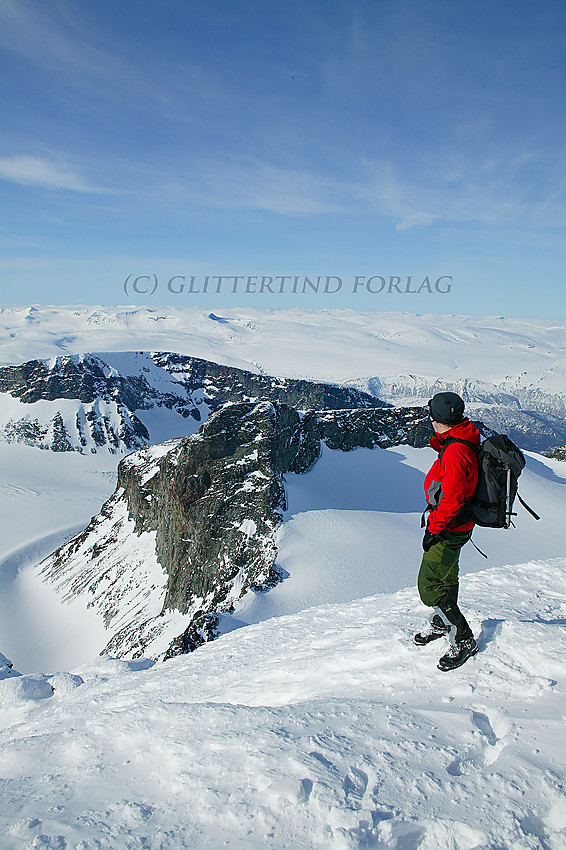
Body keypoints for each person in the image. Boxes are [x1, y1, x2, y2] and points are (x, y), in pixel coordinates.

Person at [414, 391, 480, 671]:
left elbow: (452, 499)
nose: (429, 420)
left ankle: (463, 638)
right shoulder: (459, 440)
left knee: (428, 586)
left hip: (450, 528)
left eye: (432, 416)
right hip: (457, 525)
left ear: (439, 420)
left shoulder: (455, 451)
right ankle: (443, 622)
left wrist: (435, 529)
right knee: (447, 573)